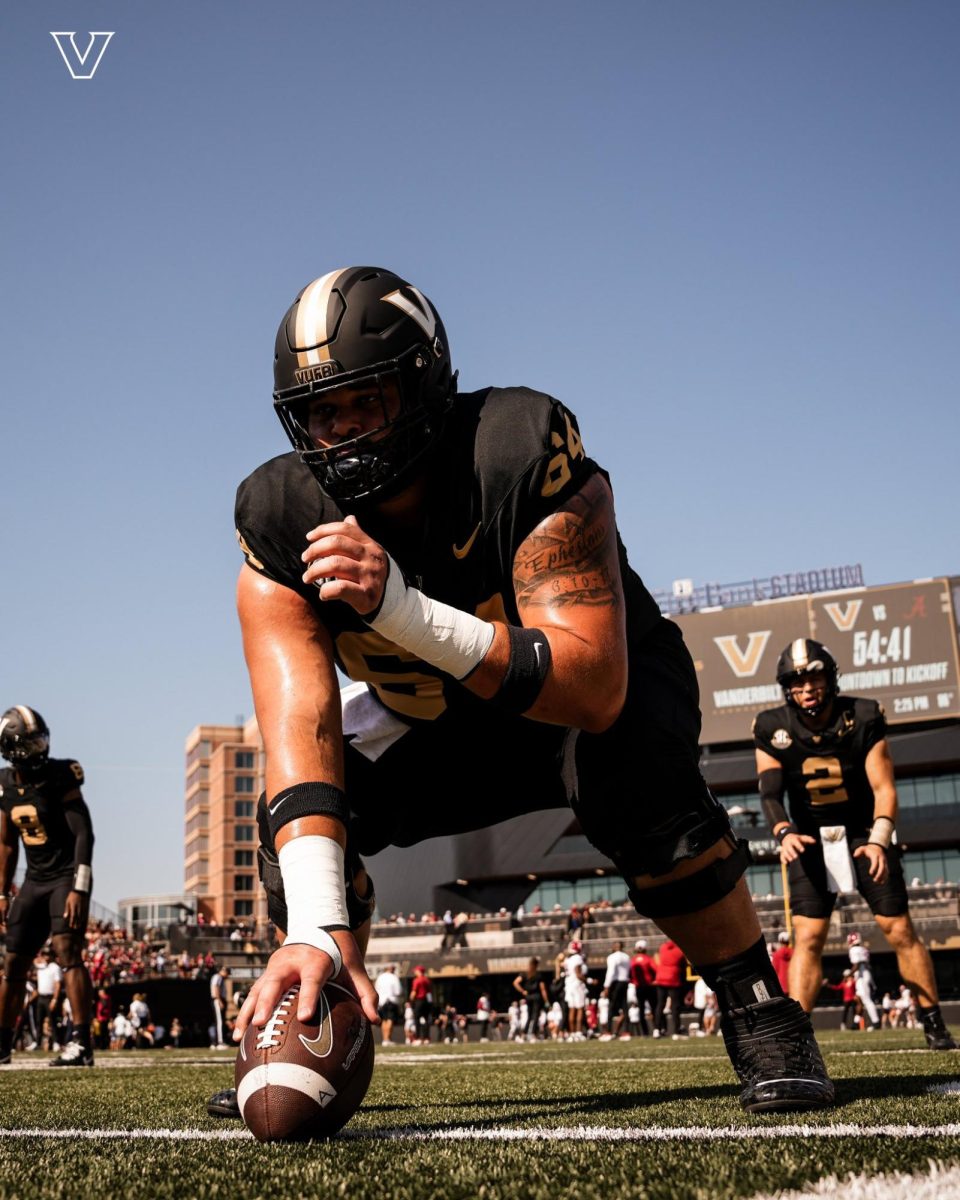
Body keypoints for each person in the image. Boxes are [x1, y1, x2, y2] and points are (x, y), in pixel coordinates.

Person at [210, 265, 833, 1118]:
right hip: (432, 721)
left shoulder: (512, 448)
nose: (345, 434)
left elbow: (595, 687)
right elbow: (299, 730)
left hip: (578, 701)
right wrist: (314, 921)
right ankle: (317, 1014)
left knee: (638, 775)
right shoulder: (281, 515)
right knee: (296, 815)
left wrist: (401, 607)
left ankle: (759, 1006)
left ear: (423, 388)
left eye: (367, 404)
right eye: (324, 413)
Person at [754, 639, 956, 1052]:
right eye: (797, 680)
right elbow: (771, 794)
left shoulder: (862, 715)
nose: (807, 687)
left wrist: (881, 839)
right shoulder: (770, 725)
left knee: (898, 928)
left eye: (814, 676)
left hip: (864, 833)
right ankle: (798, 1039)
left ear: (830, 678)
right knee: (808, 937)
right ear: (786, 687)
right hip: (808, 838)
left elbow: (884, 788)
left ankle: (934, 1023)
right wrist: (783, 832)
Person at [0, 706, 96, 1067]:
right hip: (33, 881)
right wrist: (2, 891)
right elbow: (7, 843)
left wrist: (80, 887)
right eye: (31, 743)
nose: (40, 748)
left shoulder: (61, 774)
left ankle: (81, 1043)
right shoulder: (5, 784)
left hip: (65, 876)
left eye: (41, 739)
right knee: (13, 963)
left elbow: (84, 832)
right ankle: (3, 1042)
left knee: (68, 952)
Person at [601, 940, 631, 1038]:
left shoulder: (612, 957)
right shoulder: (627, 957)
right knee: (625, 1007)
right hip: (625, 982)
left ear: (614, 947)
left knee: (611, 1007)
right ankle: (626, 1031)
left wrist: (606, 986)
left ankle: (608, 1031)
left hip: (616, 983)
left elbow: (611, 972)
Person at [373, 963, 404, 1046]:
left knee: (384, 1020)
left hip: (381, 1002)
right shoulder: (394, 977)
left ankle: (384, 1039)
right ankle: (388, 1038)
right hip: (391, 1000)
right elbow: (398, 991)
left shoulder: (380, 978)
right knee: (390, 1019)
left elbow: (376, 989)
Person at [209, 965, 230, 1048]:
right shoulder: (217, 977)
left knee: (218, 1022)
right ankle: (219, 1042)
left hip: (218, 1000)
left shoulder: (220, 978)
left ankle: (215, 1043)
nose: (227, 975)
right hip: (217, 1000)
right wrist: (219, 1000)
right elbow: (215, 987)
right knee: (219, 1022)